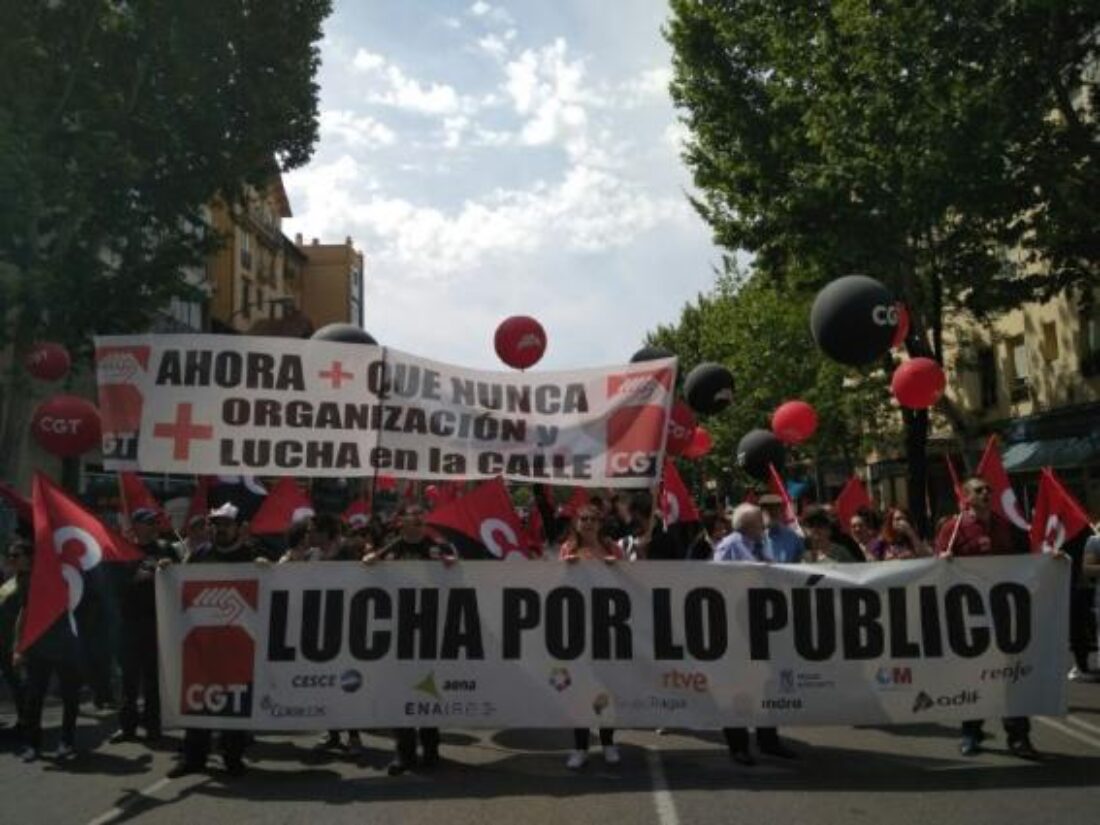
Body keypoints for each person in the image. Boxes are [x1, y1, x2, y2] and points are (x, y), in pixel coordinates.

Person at [935, 477, 1038, 759]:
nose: (986, 493)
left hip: (1004, 612)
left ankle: (1018, 737)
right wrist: (943, 559)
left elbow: (1024, 560)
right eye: (979, 490)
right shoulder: (953, 528)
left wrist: (1048, 560)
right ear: (966, 497)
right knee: (975, 676)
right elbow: (937, 568)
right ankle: (971, 732)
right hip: (971, 615)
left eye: (988, 490)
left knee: (1011, 676)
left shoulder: (1004, 526)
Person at [167, 502, 265, 778]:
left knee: (234, 703)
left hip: (238, 644)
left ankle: (232, 758)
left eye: (226, 524)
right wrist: (168, 570)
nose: (220, 529)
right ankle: (193, 758)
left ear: (237, 527)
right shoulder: (199, 555)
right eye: (216, 524)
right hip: (203, 643)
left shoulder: (251, 555)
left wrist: (264, 569)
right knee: (198, 700)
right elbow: (179, 583)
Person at [364, 501, 456, 776]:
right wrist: (369, 560)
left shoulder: (439, 546)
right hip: (397, 632)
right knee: (398, 691)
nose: (417, 518)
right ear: (400, 521)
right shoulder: (392, 547)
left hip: (428, 630)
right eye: (411, 515)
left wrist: (453, 565)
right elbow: (370, 568)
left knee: (427, 689)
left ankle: (430, 749)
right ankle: (403, 754)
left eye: (421, 515)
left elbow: (458, 575)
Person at [713, 503, 798, 765]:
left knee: (766, 683)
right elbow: (716, 582)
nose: (764, 526)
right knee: (737, 685)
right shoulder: (729, 546)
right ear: (749, 525)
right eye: (760, 523)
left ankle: (768, 739)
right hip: (737, 628)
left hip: (764, 624)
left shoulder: (762, 545)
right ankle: (738, 745)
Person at [560, 503, 622, 770]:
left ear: (600, 523)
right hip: (578, 629)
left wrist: (617, 566)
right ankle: (580, 747)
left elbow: (633, 577)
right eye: (583, 518)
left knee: (607, 688)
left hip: (608, 628)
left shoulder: (611, 548)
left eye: (593, 519)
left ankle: (608, 742)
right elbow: (557, 583)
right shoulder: (568, 549)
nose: (588, 523)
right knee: (580, 689)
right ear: (576, 522)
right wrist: (566, 567)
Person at [112, 508, 175, 744]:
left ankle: (153, 726)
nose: (152, 526)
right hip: (129, 622)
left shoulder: (165, 549)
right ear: (136, 525)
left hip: (156, 622)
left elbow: (182, 577)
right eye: (147, 522)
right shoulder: (123, 551)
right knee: (128, 679)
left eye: (154, 523)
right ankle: (127, 727)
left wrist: (171, 565)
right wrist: (132, 579)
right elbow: (112, 586)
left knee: (152, 679)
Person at [0, 539, 30, 736]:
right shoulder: (12, 579)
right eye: (10, 555)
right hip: (3, 638)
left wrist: (20, 645)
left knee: (18, 682)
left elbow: (26, 613)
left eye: (16, 555)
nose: (11, 559)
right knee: (14, 681)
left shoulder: (29, 581)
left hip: (15, 641)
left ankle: (26, 722)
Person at [757, 493, 805, 563]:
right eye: (769, 510)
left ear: (781, 512)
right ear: (760, 513)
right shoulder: (755, 538)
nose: (773, 513)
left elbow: (801, 563)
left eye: (776, 510)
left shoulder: (793, 537)